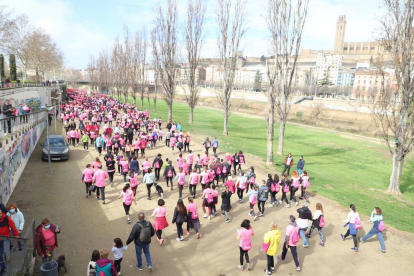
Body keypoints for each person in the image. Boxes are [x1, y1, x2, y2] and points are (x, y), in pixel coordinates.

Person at [0, 207, 19, 274]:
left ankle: (7, 262)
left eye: (0, 213)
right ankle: (3, 266)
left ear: (1, 212)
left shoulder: (6, 218)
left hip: (5, 239)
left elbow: (13, 226)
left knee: (5, 252)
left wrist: (16, 234)